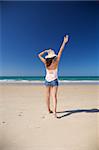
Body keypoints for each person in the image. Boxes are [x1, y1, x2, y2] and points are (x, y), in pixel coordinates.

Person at [38, 35, 69, 118]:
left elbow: (39, 55)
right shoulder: (56, 61)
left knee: (47, 96)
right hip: (54, 80)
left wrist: (45, 51)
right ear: (53, 56)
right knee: (54, 96)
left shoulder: (45, 62)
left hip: (47, 80)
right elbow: (61, 50)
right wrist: (64, 42)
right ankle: (55, 112)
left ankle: (48, 110)